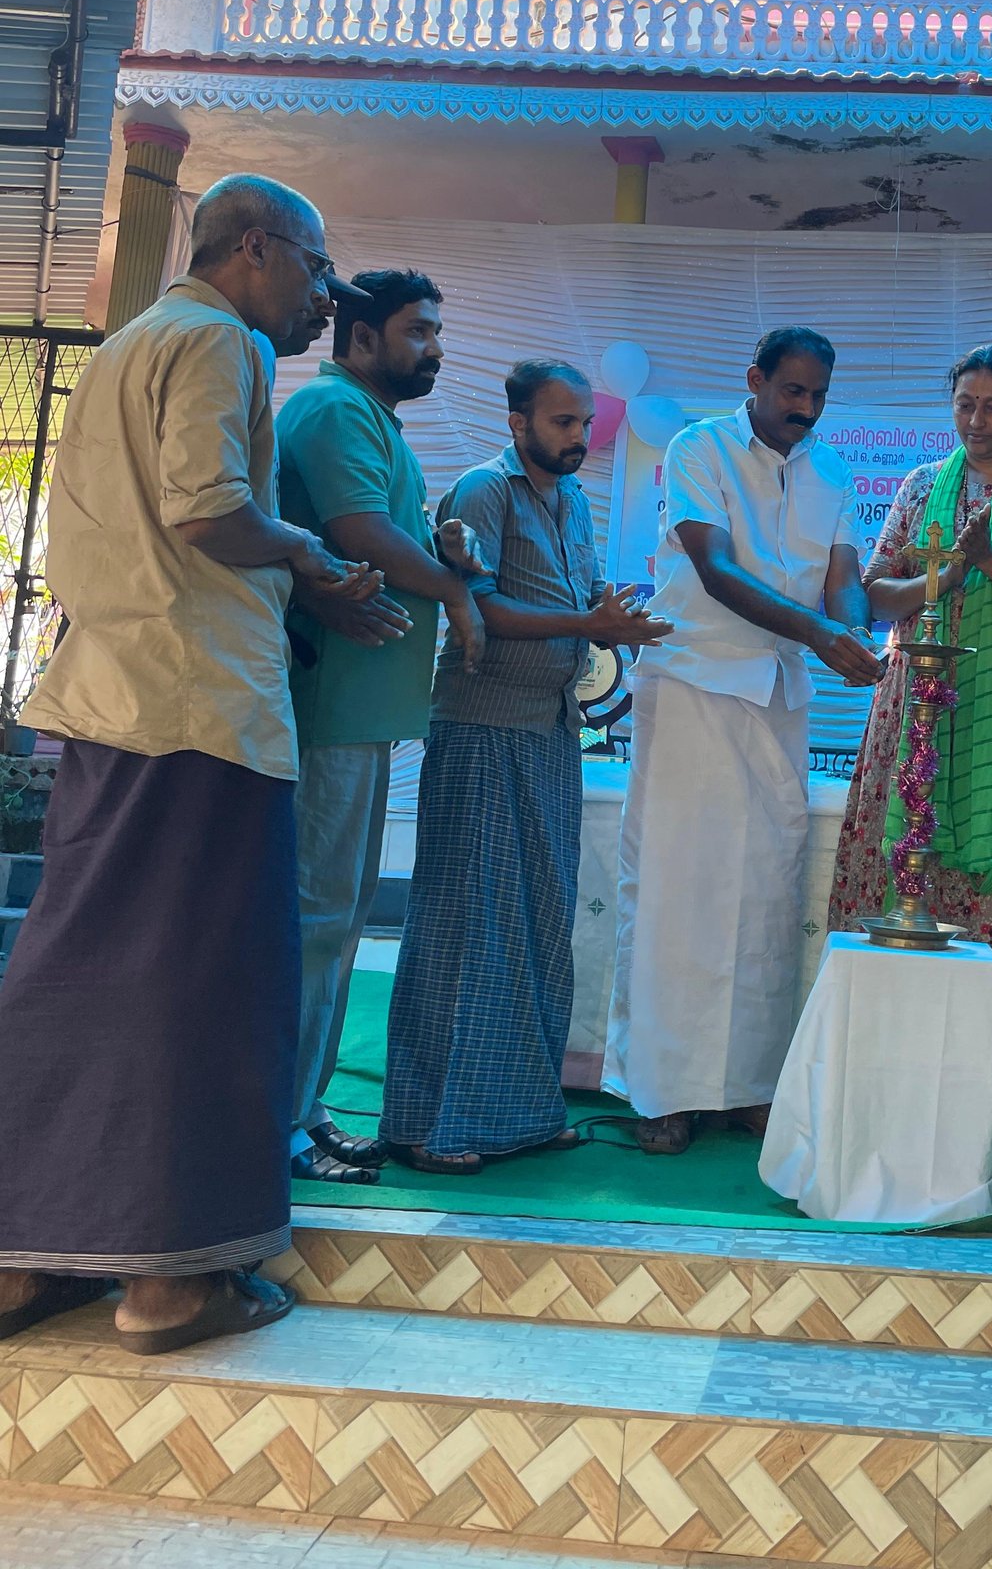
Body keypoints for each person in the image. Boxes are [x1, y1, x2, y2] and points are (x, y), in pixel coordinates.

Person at [0, 175, 392, 1353]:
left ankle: (25, 1260)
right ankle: (171, 1286)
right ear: (256, 248)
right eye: (317, 269)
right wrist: (309, 556)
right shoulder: (224, 342)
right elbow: (207, 510)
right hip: (196, 711)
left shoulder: (130, 342)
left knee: (76, 973)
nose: (326, 297)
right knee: (204, 983)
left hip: (114, 703)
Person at [604, 328, 885, 1154]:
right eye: (793, 391)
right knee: (678, 890)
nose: (806, 409)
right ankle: (662, 1090)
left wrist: (856, 634)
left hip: (778, 695)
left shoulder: (832, 472)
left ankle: (748, 1086)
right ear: (755, 379)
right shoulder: (699, 449)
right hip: (695, 680)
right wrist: (822, 633)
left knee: (764, 892)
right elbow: (718, 571)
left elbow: (844, 581)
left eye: (819, 396)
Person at [384, 361, 669, 1174]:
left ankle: (522, 1113)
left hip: (550, 730)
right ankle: (433, 1126)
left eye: (583, 423)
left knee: (539, 923)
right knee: (466, 924)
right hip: (481, 728)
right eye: (562, 423)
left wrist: (612, 615)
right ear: (518, 424)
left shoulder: (572, 498)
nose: (578, 437)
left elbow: (578, 597)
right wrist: (587, 622)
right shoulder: (485, 491)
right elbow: (480, 606)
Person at [276, 268, 489, 1186]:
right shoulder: (334, 411)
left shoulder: (371, 418)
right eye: (419, 331)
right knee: (314, 920)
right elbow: (360, 531)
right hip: (327, 708)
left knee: (336, 922)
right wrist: (457, 595)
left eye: (436, 332)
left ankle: (304, 1113)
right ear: (362, 337)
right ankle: (275, 1131)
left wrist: (444, 549)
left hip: (360, 711)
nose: (434, 349)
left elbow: (383, 533)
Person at [828, 345, 992, 1042]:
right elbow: (875, 594)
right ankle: (899, 1058)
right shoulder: (922, 486)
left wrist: (991, 563)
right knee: (915, 851)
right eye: (965, 405)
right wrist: (942, 579)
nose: (976, 421)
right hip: (918, 703)